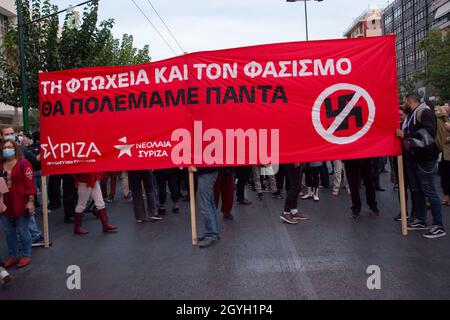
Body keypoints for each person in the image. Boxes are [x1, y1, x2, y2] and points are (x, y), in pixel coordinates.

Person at [396, 92, 446, 239]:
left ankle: (438, 225)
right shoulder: (413, 113)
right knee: (416, 189)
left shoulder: (424, 112)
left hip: (426, 158)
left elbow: (428, 134)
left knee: (429, 191)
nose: (403, 104)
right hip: (415, 157)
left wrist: (405, 136)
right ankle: (421, 220)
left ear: (410, 101)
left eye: (404, 101)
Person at [0, 140, 36, 268]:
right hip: (4, 204)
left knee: (22, 230)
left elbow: (30, 184)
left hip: (21, 202)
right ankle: (14, 256)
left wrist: (30, 201)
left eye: (10, 147)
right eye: (4, 148)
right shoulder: (1, 165)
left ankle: (26, 255)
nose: (7, 150)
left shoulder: (24, 164)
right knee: (8, 231)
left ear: (15, 149)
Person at [194, 167, 220, 248]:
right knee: (209, 204)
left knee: (205, 204)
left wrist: (197, 167)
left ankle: (211, 234)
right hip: (208, 171)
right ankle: (213, 231)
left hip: (207, 171)